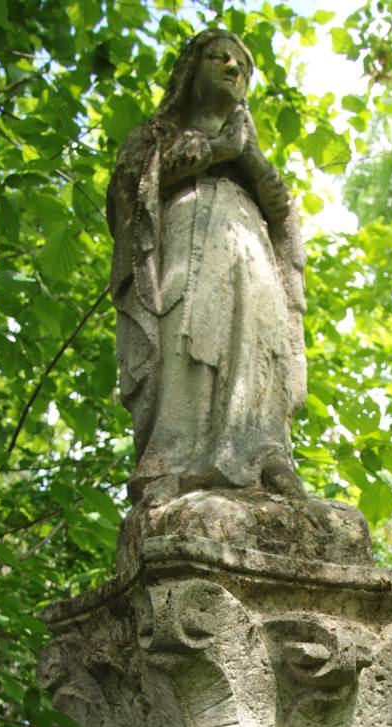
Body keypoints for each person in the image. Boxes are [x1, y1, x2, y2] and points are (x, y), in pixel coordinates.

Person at [106, 30, 307, 504]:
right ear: (190, 71)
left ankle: (263, 456)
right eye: (219, 57)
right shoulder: (153, 136)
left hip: (249, 250)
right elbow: (130, 193)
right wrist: (217, 151)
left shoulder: (249, 154)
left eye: (241, 65)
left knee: (253, 347)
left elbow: (282, 214)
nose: (232, 69)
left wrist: (248, 154)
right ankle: (171, 463)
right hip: (182, 244)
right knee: (182, 343)